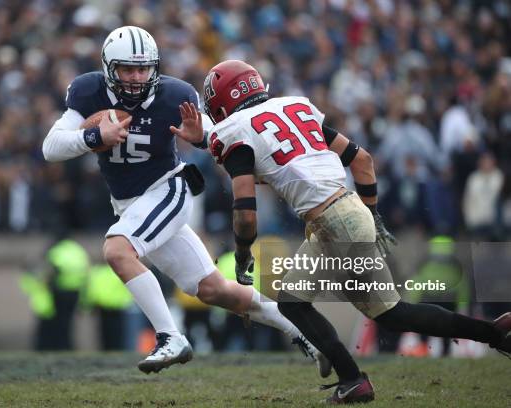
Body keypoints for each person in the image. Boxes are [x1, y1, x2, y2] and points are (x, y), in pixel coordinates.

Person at [200, 59, 511, 404]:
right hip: (345, 210)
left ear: (221, 105)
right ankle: (493, 333)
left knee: (352, 309)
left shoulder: (234, 132)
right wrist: (372, 215)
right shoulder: (293, 107)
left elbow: (245, 216)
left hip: (332, 223)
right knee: (310, 303)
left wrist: (242, 254)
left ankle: (353, 378)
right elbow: (362, 161)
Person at [42, 26, 330, 375]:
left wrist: (202, 137)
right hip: (130, 204)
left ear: (155, 67)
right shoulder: (89, 90)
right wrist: (94, 136)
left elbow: (222, 139)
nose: (135, 78)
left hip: (167, 190)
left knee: (117, 250)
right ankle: (306, 334)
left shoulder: (174, 95)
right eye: (126, 69)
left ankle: (170, 337)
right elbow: (51, 147)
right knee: (213, 290)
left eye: (142, 68)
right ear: (108, 68)